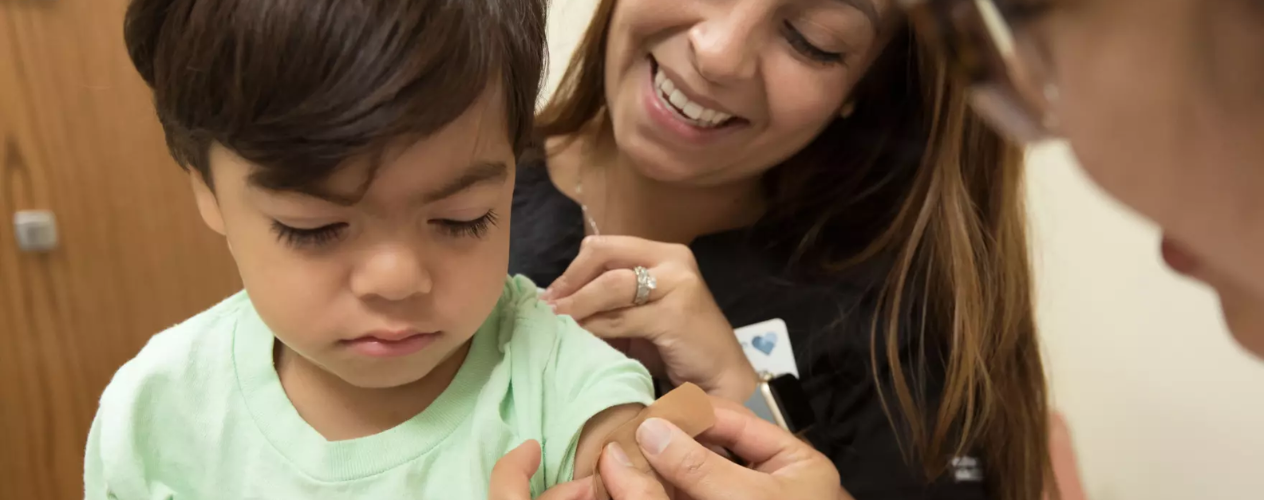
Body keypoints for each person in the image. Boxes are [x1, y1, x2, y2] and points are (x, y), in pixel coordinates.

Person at [490, 0, 1264, 499]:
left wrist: (749, 397)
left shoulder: (904, 333)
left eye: (811, 38)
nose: (719, 51)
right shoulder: (438, 176)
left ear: (867, 81)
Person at [85, 0, 657, 498]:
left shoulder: (562, 384)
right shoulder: (154, 413)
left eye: (461, 220)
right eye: (314, 228)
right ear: (206, 188)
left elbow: (623, 453)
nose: (397, 279)